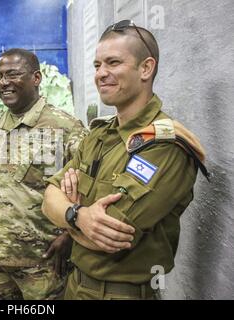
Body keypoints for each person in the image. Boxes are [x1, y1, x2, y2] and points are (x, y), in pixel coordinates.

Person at [42, 20, 208, 300]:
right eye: (97, 65)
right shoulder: (100, 134)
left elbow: (109, 235)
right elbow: (48, 198)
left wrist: (69, 208)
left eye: (113, 62)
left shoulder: (164, 144)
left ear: (146, 68)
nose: (101, 74)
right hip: (75, 286)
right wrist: (78, 214)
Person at [0, 48, 87, 299]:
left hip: (44, 261)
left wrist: (70, 234)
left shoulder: (66, 127)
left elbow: (88, 186)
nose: (3, 83)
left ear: (36, 78)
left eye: (13, 74)